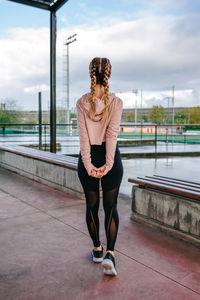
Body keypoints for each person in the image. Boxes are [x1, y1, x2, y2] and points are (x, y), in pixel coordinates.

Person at [76, 57, 123, 276]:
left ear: (90, 74)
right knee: (111, 207)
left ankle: (97, 250)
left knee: (92, 206)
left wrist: (88, 164)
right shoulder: (116, 102)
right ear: (109, 75)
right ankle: (110, 255)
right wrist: (108, 164)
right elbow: (112, 135)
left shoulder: (81, 102)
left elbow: (83, 139)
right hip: (110, 156)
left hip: (90, 156)